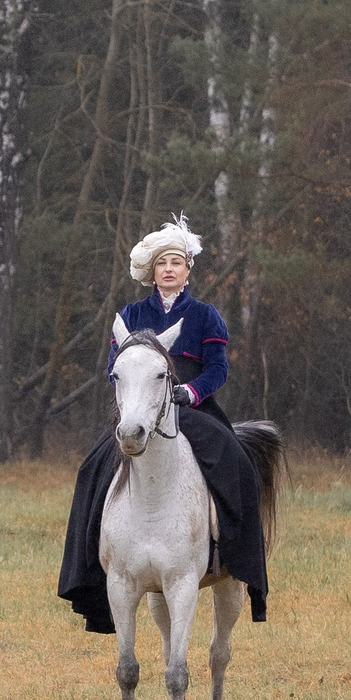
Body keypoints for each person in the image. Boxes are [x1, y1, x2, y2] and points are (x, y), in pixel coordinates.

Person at [58, 216, 268, 634]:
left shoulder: (206, 316)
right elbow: (113, 367)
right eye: (162, 263)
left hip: (193, 406)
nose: (169, 269)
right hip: (140, 406)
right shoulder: (132, 313)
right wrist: (134, 396)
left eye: (176, 262)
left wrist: (190, 392)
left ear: (188, 269)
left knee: (236, 463)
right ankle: (91, 565)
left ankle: (235, 555)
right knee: (91, 469)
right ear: (152, 271)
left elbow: (218, 369)